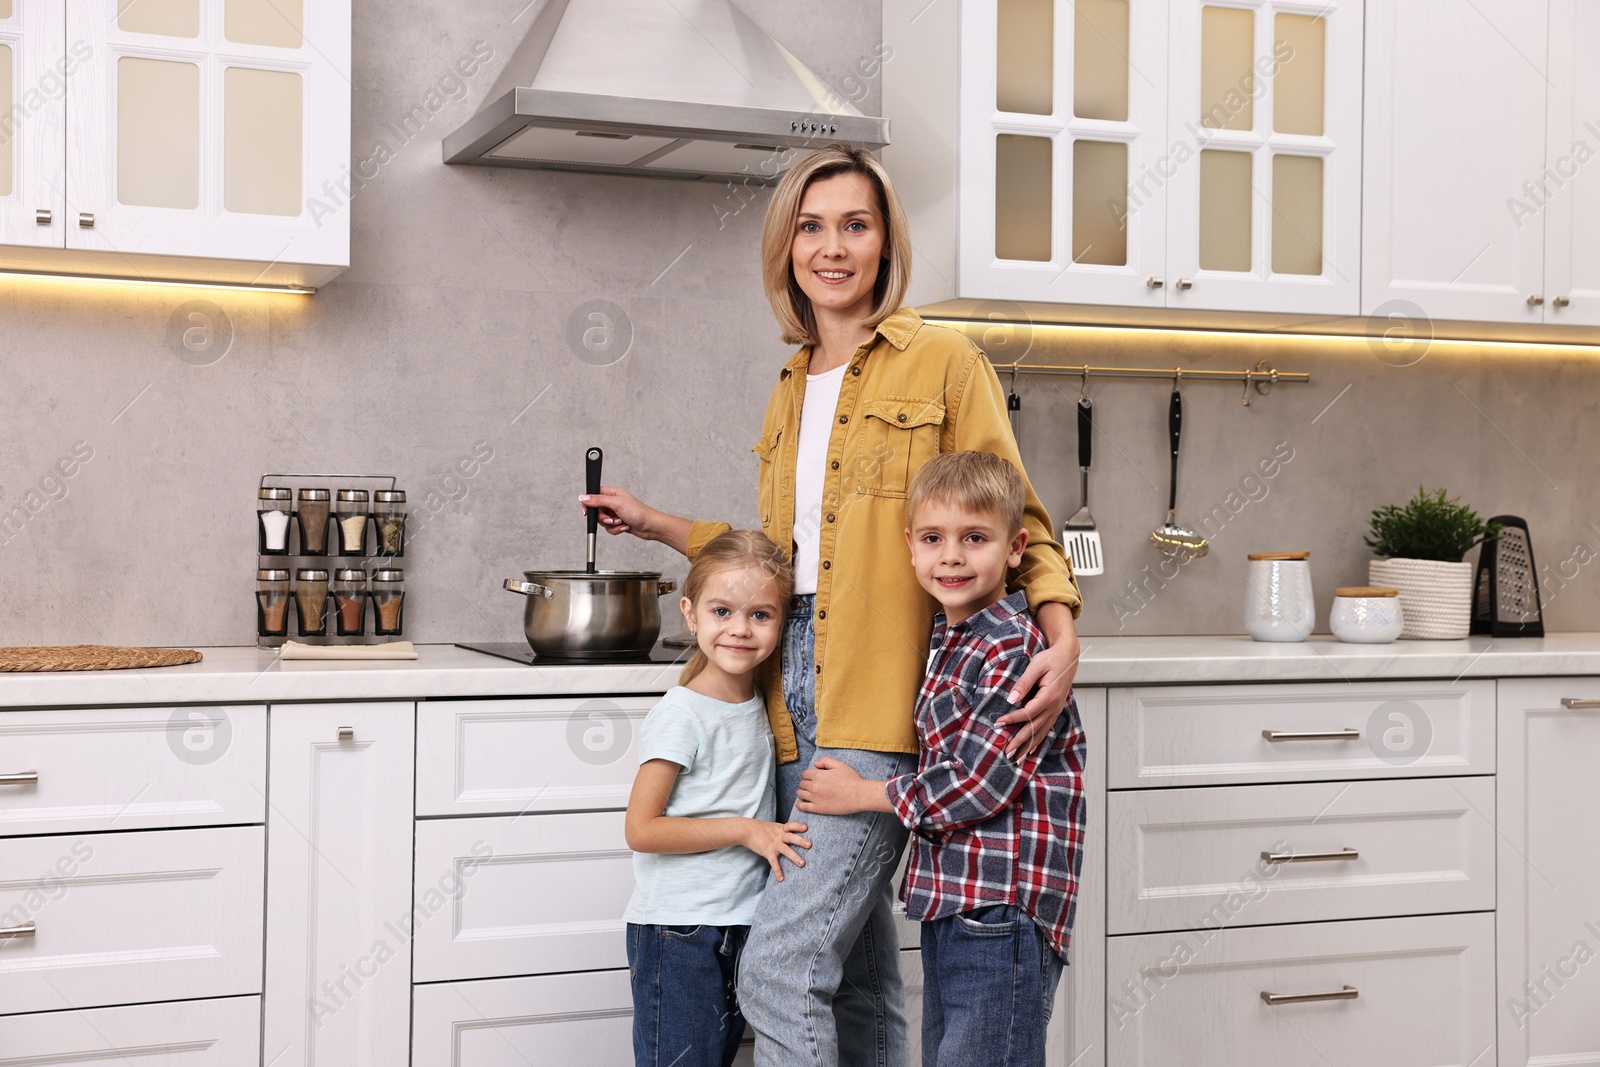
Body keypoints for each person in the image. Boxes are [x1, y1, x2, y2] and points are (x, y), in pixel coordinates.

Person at [584, 144, 1083, 1067]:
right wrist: (660, 525)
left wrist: (1061, 632)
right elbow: (781, 557)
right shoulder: (788, 385)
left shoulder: (944, 360)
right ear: (786, 247)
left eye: (856, 224)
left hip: (883, 683)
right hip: (789, 684)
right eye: (811, 227)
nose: (833, 246)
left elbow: (1022, 515)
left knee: (779, 961)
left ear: (885, 239)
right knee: (853, 972)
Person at [794, 451, 1086, 1067]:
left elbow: (981, 783)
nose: (950, 555)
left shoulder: (1009, 650)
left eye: (974, 538)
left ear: (1016, 549)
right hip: (959, 904)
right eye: (933, 539)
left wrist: (864, 795)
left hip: (1000, 908)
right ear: (911, 546)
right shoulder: (951, 637)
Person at [622, 530, 813, 1067]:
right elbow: (642, 829)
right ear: (690, 613)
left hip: (740, 923)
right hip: (679, 931)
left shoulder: (764, 703)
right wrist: (744, 829)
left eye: (760, 615)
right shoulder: (682, 713)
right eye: (722, 610)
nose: (739, 629)